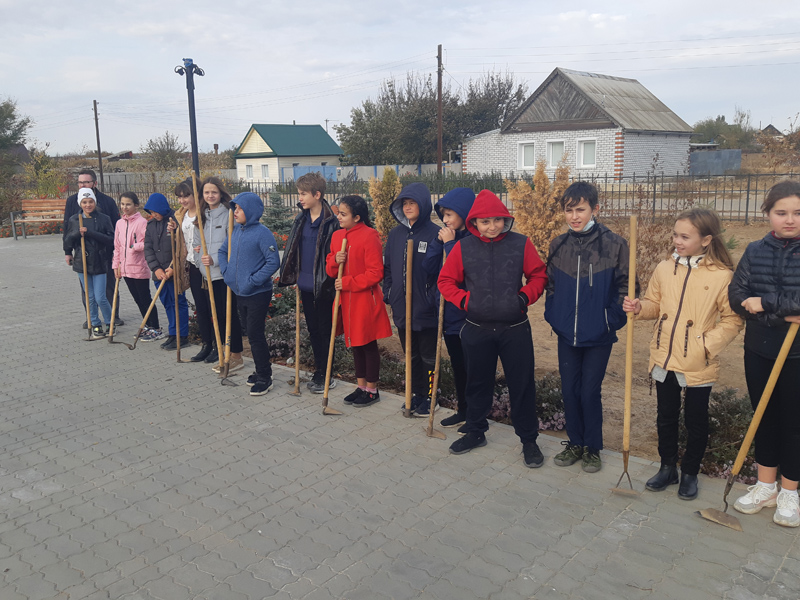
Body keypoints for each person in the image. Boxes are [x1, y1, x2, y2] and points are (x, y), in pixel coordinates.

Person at [623, 207, 742, 500]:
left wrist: (705, 345)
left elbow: (732, 320)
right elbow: (654, 303)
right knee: (665, 416)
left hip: (697, 361)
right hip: (664, 355)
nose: (677, 241)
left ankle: (690, 472)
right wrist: (639, 307)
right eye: (675, 234)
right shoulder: (665, 268)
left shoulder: (722, 276)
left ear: (706, 240)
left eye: (685, 237)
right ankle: (667, 467)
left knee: (695, 421)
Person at [438, 189, 548, 467]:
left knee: (521, 385)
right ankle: (476, 431)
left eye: (497, 220)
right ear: (474, 222)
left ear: (505, 219)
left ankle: (529, 440)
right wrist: (466, 301)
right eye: (485, 221)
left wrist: (523, 298)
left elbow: (538, 275)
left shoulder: (521, 244)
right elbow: (446, 281)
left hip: (515, 328)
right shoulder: (463, 248)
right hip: (478, 327)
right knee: (477, 383)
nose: (492, 226)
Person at [544, 181, 635, 474]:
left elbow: (627, 287)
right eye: (569, 210)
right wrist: (554, 315)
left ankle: (592, 448)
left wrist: (609, 320)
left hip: (598, 335)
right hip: (566, 334)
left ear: (595, 209)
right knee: (569, 391)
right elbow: (551, 285)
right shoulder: (558, 245)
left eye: (580, 209)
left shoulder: (615, 245)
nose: (574, 216)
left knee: (588, 392)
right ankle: (575, 443)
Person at [728, 180, 800, 526]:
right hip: (759, 349)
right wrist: (781, 314)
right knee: (763, 417)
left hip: (797, 354)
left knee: (794, 423)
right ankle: (766, 486)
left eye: (798, 212)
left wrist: (765, 303)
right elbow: (737, 297)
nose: (790, 219)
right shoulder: (755, 250)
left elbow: (759, 301)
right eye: (781, 212)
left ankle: (790, 491)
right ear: (768, 214)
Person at [325, 195, 392, 407]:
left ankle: (372, 389)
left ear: (357, 217)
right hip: (345, 300)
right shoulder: (337, 236)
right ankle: (361, 386)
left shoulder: (370, 236)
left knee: (367, 343)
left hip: (364, 299)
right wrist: (335, 261)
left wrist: (348, 282)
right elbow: (330, 269)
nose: (338, 217)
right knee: (354, 343)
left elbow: (375, 273)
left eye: (343, 214)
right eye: (338, 213)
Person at [278, 172, 340, 393]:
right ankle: (319, 369)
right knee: (313, 329)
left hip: (324, 284)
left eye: (304, 194)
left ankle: (326, 373)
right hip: (304, 284)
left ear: (317, 194)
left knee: (325, 330)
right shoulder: (301, 219)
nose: (300, 198)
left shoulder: (331, 222)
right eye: (299, 193)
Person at [420, 187, 476, 428]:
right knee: (458, 366)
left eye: (450, 214)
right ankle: (463, 410)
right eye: (443, 214)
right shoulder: (445, 238)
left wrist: (451, 244)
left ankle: (475, 415)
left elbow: (461, 271)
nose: (444, 220)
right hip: (449, 316)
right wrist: (438, 242)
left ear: (464, 213)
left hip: (468, 316)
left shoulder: (473, 240)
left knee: (472, 368)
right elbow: (429, 267)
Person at [383, 182, 440, 416]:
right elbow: (388, 268)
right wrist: (389, 293)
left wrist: (431, 299)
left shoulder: (435, 234)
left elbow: (440, 274)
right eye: (404, 203)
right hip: (401, 306)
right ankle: (416, 393)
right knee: (411, 353)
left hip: (425, 309)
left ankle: (431, 396)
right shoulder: (396, 235)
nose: (407, 207)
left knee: (428, 356)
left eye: (412, 203)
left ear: (423, 205)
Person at [219, 192, 280, 396]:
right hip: (239, 292)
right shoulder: (236, 230)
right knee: (250, 332)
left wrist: (252, 281)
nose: (235, 212)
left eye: (239, 208)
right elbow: (222, 251)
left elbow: (273, 262)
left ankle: (265, 376)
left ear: (251, 211)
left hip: (257, 293)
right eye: (234, 208)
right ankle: (260, 369)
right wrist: (227, 272)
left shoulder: (262, 233)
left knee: (255, 334)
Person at [63, 169, 122, 327]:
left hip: (105, 254)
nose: (83, 185)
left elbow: (115, 228)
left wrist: (117, 252)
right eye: (80, 182)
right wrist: (68, 252)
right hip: (83, 254)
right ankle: (91, 318)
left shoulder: (107, 201)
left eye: (86, 182)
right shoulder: (72, 201)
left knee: (107, 287)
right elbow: (67, 228)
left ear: (94, 183)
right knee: (88, 291)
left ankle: (113, 316)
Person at [200, 176, 244, 373]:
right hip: (207, 274)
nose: (210, 195)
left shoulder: (228, 214)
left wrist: (216, 261)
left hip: (224, 273)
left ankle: (236, 355)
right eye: (207, 192)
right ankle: (223, 352)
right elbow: (198, 244)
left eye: (214, 192)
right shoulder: (202, 215)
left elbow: (231, 245)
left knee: (229, 315)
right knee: (217, 315)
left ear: (221, 193)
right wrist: (200, 259)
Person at [170, 179, 214, 362]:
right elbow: (182, 240)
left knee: (213, 307)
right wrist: (174, 231)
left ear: (196, 194)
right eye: (179, 197)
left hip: (208, 264)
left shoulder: (206, 213)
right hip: (193, 265)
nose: (182, 200)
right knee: (201, 308)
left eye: (186, 196)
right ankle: (206, 344)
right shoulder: (181, 215)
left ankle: (218, 345)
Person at [113, 192, 162, 341]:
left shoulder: (142, 223)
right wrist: (116, 265)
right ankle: (147, 324)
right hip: (125, 268)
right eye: (122, 204)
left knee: (145, 298)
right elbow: (117, 246)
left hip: (139, 266)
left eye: (128, 204)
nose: (124, 207)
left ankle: (156, 327)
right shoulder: (119, 223)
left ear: (136, 205)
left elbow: (148, 243)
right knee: (137, 299)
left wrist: (134, 246)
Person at [144, 193, 189, 350]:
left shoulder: (174, 221)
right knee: (168, 304)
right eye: (151, 212)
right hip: (159, 273)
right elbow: (148, 248)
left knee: (178, 303)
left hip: (173, 271)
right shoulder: (150, 225)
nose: (153, 214)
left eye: (155, 211)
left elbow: (181, 246)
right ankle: (173, 333)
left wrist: (173, 268)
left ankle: (182, 335)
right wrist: (156, 269)